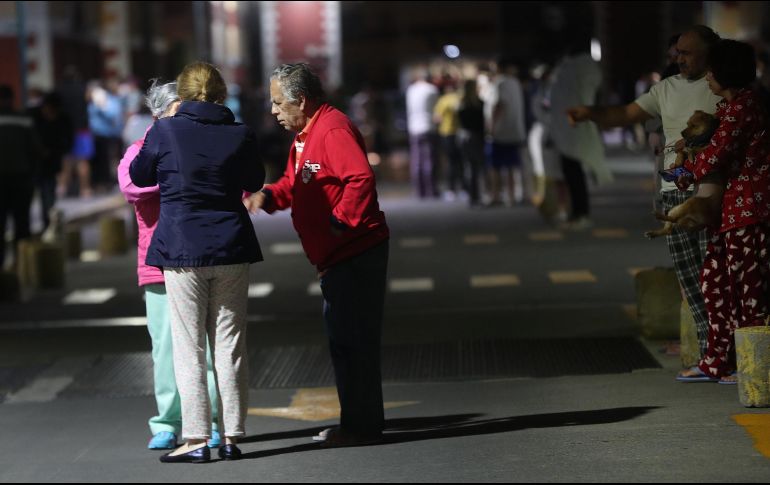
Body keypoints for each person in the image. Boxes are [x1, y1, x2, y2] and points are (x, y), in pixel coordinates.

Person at [244, 63, 390, 448]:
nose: (273, 111)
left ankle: (362, 427)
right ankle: (358, 422)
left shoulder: (333, 128)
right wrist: (271, 195)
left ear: (301, 100)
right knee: (345, 342)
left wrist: (340, 225)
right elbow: (297, 182)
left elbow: (359, 178)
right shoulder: (305, 136)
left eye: (278, 103)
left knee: (353, 343)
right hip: (336, 256)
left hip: (354, 252)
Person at [130, 62, 265, 463]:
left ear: (183, 95)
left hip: (181, 248)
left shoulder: (165, 130)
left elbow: (139, 174)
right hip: (231, 246)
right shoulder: (239, 133)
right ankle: (231, 435)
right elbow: (255, 182)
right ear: (222, 93)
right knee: (230, 343)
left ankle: (194, 439)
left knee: (189, 346)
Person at [566, 25, 722, 364]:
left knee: (716, 275)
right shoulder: (665, 88)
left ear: (710, 53)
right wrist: (589, 113)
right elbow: (624, 114)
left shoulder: (724, 88)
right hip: (674, 192)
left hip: (714, 191)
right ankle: (712, 355)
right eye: (677, 53)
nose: (679, 59)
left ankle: (725, 353)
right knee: (691, 279)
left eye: (687, 53)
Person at [117, 80, 222, 451]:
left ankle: (208, 419)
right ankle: (167, 421)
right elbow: (131, 185)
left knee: (205, 348)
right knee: (165, 348)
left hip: (199, 257)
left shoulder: (203, 143)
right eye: (180, 110)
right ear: (159, 115)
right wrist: (179, 177)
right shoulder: (139, 150)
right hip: (159, 264)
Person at [674, 40, 770, 383]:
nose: (708, 76)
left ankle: (752, 367)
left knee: (749, 291)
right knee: (715, 282)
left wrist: (686, 165)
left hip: (749, 211)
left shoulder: (744, 108)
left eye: (712, 70)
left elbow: (713, 158)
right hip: (729, 213)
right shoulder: (728, 107)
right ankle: (718, 360)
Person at [550, 37, 610, 228]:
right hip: (574, 124)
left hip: (571, 125)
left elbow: (570, 97)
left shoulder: (572, 68)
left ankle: (580, 213)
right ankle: (577, 213)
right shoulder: (583, 68)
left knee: (573, 173)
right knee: (573, 173)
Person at [0, 85, 42, 270]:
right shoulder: (24, 119)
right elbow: (36, 149)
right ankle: (20, 267)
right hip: (21, 179)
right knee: (22, 223)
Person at [483, 58, 527, 206]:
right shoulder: (515, 83)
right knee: (511, 166)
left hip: (500, 132)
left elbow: (499, 105)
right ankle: (512, 196)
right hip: (515, 131)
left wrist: (491, 127)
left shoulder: (499, 83)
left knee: (495, 166)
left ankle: (496, 195)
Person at [33, 92, 73, 231]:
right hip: (31, 164)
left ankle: (48, 226)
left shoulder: (63, 120)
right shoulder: (33, 116)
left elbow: (68, 143)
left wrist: (53, 151)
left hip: (50, 165)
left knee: (48, 197)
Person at [406, 68, 440, 198]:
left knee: (416, 160)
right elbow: (436, 109)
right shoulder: (432, 89)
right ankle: (431, 190)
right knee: (429, 160)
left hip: (414, 127)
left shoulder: (411, 90)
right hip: (428, 127)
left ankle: (419, 191)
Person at [434, 76, 465, 200]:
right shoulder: (460, 97)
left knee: (450, 163)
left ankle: (451, 190)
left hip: (447, 133)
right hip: (460, 133)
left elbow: (437, 118)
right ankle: (463, 189)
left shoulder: (443, 100)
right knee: (461, 162)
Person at [457, 78, 486, 207]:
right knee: (479, 167)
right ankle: (479, 195)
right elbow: (483, 123)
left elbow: (460, 121)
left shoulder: (461, 103)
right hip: (477, 137)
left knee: (469, 167)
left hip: (465, 136)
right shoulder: (480, 103)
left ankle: (471, 196)